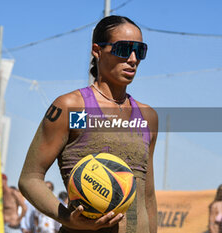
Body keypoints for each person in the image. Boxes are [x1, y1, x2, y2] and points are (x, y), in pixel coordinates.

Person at [19, 15, 158, 233]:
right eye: (124, 49)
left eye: (139, 51)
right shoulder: (71, 107)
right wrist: (68, 219)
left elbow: (147, 196)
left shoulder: (148, 116)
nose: (133, 59)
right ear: (97, 50)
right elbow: (30, 178)